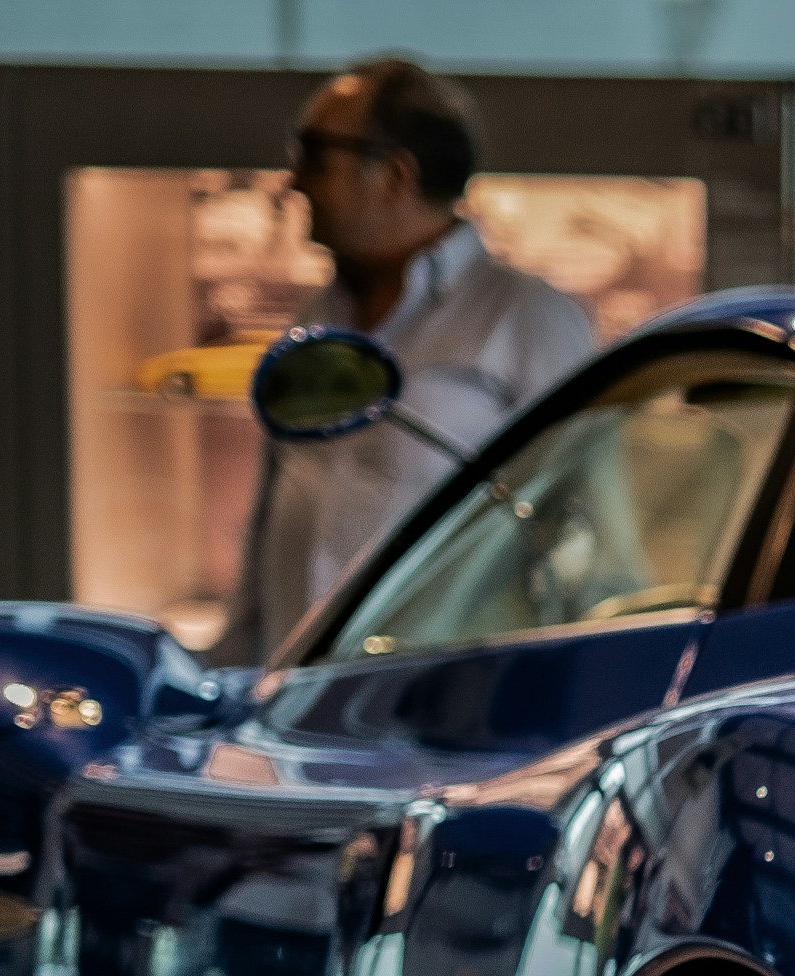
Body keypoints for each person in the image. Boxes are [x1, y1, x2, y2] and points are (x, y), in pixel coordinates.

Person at [217, 58, 597, 665]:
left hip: (444, 702)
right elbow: (274, 509)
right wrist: (236, 662)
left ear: (396, 175)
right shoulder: (318, 316)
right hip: (296, 693)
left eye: (314, 154)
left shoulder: (529, 320)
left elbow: (585, 529)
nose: (294, 182)